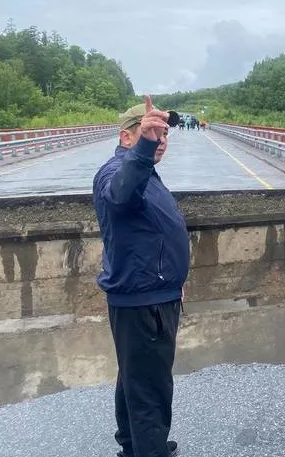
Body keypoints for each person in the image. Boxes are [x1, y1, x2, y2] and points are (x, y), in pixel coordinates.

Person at [92, 96, 189, 457]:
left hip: (151, 293)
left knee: (134, 379)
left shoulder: (142, 169)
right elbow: (119, 196)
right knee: (151, 387)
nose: (160, 140)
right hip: (144, 302)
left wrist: (174, 281)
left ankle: (133, 446)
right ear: (126, 137)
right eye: (149, 133)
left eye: (163, 134)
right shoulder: (117, 172)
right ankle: (150, 450)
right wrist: (145, 148)